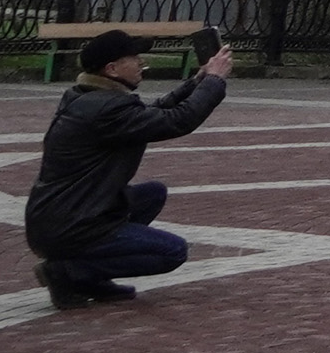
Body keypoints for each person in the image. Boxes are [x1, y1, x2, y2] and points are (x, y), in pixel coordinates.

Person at [27, 27, 233, 307]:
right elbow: (177, 121)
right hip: (73, 225)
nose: (141, 64)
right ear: (112, 68)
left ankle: (90, 278)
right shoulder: (106, 110)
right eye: (134, 58)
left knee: (152, 194)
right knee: (172, 251)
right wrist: (214, 81)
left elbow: (154, 112)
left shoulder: (88, 95)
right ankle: (69, 272)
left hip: (62, 215)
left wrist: (196, 82)